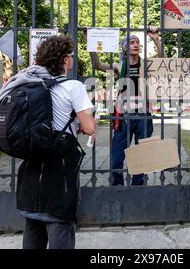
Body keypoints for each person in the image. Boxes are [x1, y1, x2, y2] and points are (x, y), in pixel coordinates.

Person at [15, 35, 96, 249]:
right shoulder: (73, 86)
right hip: (59, 164)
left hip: (32, 162)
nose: (71, 59)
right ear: (65, 60)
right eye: (70, 55)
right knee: (59, 222)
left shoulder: (31, 84)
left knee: (33, 222)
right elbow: (89, 128)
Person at [90, 26, 165, 186]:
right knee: (117, 158)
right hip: (123, 118)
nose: (136, 45)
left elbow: (162, 58)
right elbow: (97, 65)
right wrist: (92, 43)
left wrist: (156, 39)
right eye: (131, 42)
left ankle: (137, 187)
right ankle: (117, 186)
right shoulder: (119, 66)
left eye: (137, 42)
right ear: (125, 47)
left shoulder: (145, 65)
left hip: (143, 116)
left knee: (141, 157)